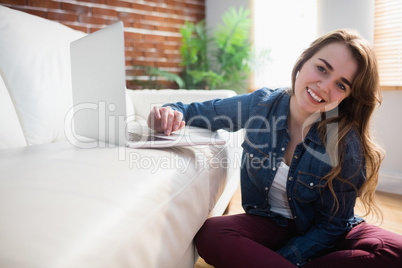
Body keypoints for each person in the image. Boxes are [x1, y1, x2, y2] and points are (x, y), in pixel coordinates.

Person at [147, 29, 402, 267]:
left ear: (347, 97)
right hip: (270, 225)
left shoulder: (346, 140)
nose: (324, 87)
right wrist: (167, 114)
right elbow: (193, 112)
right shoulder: (260, 105)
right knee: (212, 234)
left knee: (394, 250)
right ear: (303, 61)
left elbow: (331, 226)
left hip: (326, 235)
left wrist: (284, 259)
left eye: (341, 85)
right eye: (322, 69)